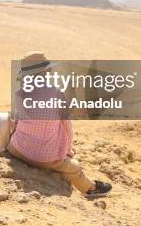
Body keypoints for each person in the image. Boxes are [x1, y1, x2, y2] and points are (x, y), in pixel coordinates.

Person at [9, 52, 112, 198]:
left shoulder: (19, 94)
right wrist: (67, 149)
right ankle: (91, 189)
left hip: (17, 150)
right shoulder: (56, 94)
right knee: (74, 167)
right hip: (46, 159)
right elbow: (67, 127)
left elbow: (15, 122)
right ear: (45, 73)